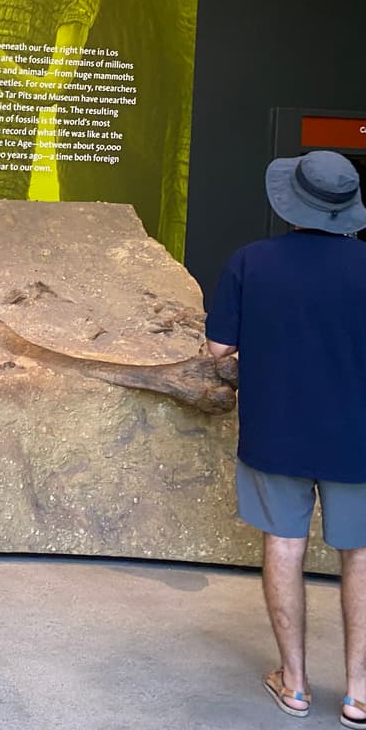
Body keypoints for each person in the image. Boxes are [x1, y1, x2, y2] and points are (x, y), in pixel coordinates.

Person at [205, 149, 366, 726]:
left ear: (291, 202)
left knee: (284, 546)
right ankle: (359, 694)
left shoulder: (252, 261)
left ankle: (294, 686)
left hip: (277, 432)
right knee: (362, 556)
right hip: (359, 439)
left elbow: (218, 350)